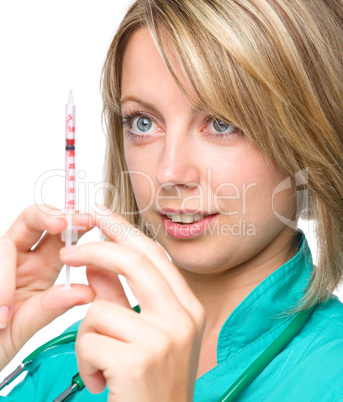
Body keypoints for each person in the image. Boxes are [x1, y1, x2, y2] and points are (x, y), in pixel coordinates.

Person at [1, 0, 343, 400]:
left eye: (222, 123)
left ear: (311, 136)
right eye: (143, 123)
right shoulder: (75, 354)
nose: (168, 173)